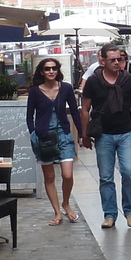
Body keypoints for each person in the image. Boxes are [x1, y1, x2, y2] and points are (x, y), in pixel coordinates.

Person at [80, 43, 131, 228]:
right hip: (104, 135)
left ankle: (130, 211)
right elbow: (85, 109)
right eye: (113, 60)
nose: (117, 63)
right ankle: (109, 214)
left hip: (125, 132)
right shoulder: (93, 81)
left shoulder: (128, 80)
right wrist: (84, 134)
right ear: (102, 60)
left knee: (129, 172)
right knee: (106, 176)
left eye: (120, 59)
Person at [26, 58, 81, 225]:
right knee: (49, 177)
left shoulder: (65, 88)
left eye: (54, 68)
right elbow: (29, 116)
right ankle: (57, 212)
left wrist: (82, 133)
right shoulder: (35, 91)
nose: (51, 71)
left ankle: (66, 203)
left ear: (58, 70)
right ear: (42, 72)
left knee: (67, 174)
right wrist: (33, 134)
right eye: (47, 69)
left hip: (63, 134)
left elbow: (74, 111)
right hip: (44, 137)